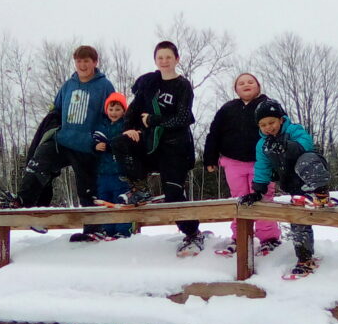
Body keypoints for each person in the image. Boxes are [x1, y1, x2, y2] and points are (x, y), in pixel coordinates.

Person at [111, 41, 203, 257]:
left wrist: (153, 119)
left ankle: (192, 232)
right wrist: (129, 129)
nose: (164, 61)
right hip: (151, 145)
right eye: (160, 57)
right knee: (120, 142)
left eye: (168, 57)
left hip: (175, 148)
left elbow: (183, 117)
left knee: (173, 195)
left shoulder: (183, 85)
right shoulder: (150, 84)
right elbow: (132, 112)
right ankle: (138, 187)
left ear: (177, 59)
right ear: (155, 60)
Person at [12, 45, 115, 212]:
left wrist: (97, 138)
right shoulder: (68, 86)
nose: (82, 65)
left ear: (95, 62)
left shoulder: (104, 86)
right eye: (79, 61)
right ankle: (24, 203)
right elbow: (56, 110)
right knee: (39, 163)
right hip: (64, 140)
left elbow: (111, 115)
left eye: (86, 61)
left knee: (88, 191)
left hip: (87, 146)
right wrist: (53, 129)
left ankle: (94, 228)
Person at [239, 99, 331, 278]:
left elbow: (307, 144)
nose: (268, 128)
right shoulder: (263, 145)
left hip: (309, 174)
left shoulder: (294, 130)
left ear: (281, 119)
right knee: (298, 222)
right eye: (263, 125)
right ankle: (304, 258)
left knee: (308, 158)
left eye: (271, 122)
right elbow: (262, 167)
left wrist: (286, 146)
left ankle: (320, 193)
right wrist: (257, 190)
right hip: (292, 185)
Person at [204, 73, 281, 256]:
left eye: (250, 82)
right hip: (233, 162)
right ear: (236, 89)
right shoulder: (228, 109)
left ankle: (269, 239)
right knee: (238, 199)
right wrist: (210, 158)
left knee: (262, 198)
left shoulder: (268, 105)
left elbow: (281, 128)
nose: (246, 84)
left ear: (258, 86)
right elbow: (214, 133)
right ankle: (240, 238)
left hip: (261, 162)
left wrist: (283, 156)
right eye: (241, 83)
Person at [70, 92, 133, 241]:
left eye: (117, 109)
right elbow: (92, 139)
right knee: (104, 200)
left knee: (120, 201)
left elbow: (126, 143)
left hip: (120, 172)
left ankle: (123, 231)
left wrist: (112, 145)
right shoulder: (101, 125)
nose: (114, 113)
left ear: (124, 110)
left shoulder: (125, 124)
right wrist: (95, 146)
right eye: (111, 109)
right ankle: (107, 230)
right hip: (103, 171)